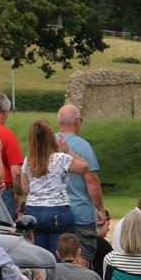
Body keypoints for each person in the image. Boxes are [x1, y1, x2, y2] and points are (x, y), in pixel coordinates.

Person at [18, 120, 89, 254]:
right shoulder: (61, 158)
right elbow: (85, 167)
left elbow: (25, 188)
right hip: (58, 210)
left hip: (34, 211)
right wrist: (68, 151)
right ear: (51, 138)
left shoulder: (29, 161)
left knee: (38, 256)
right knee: (60, 255)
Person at [56, 104, 108, 251]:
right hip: (79, 212)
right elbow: (91, 181)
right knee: (82, 253)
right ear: (77, 121)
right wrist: (100, 208)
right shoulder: (83, 146)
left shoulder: (47, 143)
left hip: (54, 210)